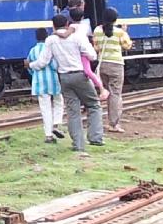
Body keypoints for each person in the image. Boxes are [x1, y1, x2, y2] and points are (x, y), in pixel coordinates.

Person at [44, 11, 104, 152]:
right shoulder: (77, 37)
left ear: (53, 26)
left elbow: (45, 60)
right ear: (67, 24)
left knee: (72, 111)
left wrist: (31, 65)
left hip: (64, 77)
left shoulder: (50, 40)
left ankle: (78, 145)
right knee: (93, 104)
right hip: (79, 75)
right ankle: (95, 137)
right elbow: (92, 55)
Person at [91, 10, 133, 133]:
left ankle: (97, 121)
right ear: (115, 19)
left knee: (105, 92)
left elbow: (96, 47)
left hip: (102, 64)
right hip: (116, 65)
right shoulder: (119, 32)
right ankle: (113, 123)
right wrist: (125, 31)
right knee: (115, 94)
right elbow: (127, 46)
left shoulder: (97, 31)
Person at [27, 27, 62, 141]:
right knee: (58, 101)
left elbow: (29, 67)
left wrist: (35, 73)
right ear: (47, 36)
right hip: (53, 81)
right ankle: (56, 124)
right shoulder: (51, 49)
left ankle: (48, 135)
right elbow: (55, 65)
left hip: (39, 83)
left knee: (45, 108)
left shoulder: (33, 50)